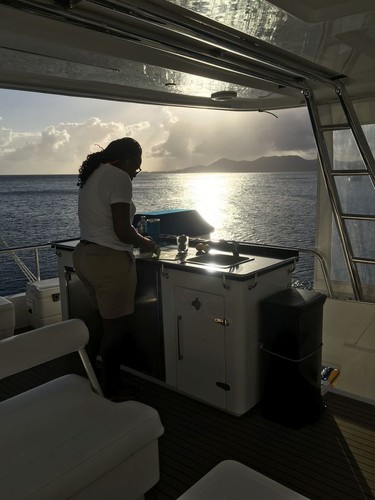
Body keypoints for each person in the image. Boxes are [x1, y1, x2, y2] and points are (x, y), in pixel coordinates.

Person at [73, 137, 157, 399]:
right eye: (137, 166)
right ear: (127, 160)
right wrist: (147, 243)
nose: (136, 173)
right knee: (116, 329)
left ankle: (87, 376)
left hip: (85, 256)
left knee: (101, 321)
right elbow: (122, 230)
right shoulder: (119, 177)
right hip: (108, 261)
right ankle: (112, 387)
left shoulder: (94, 175)